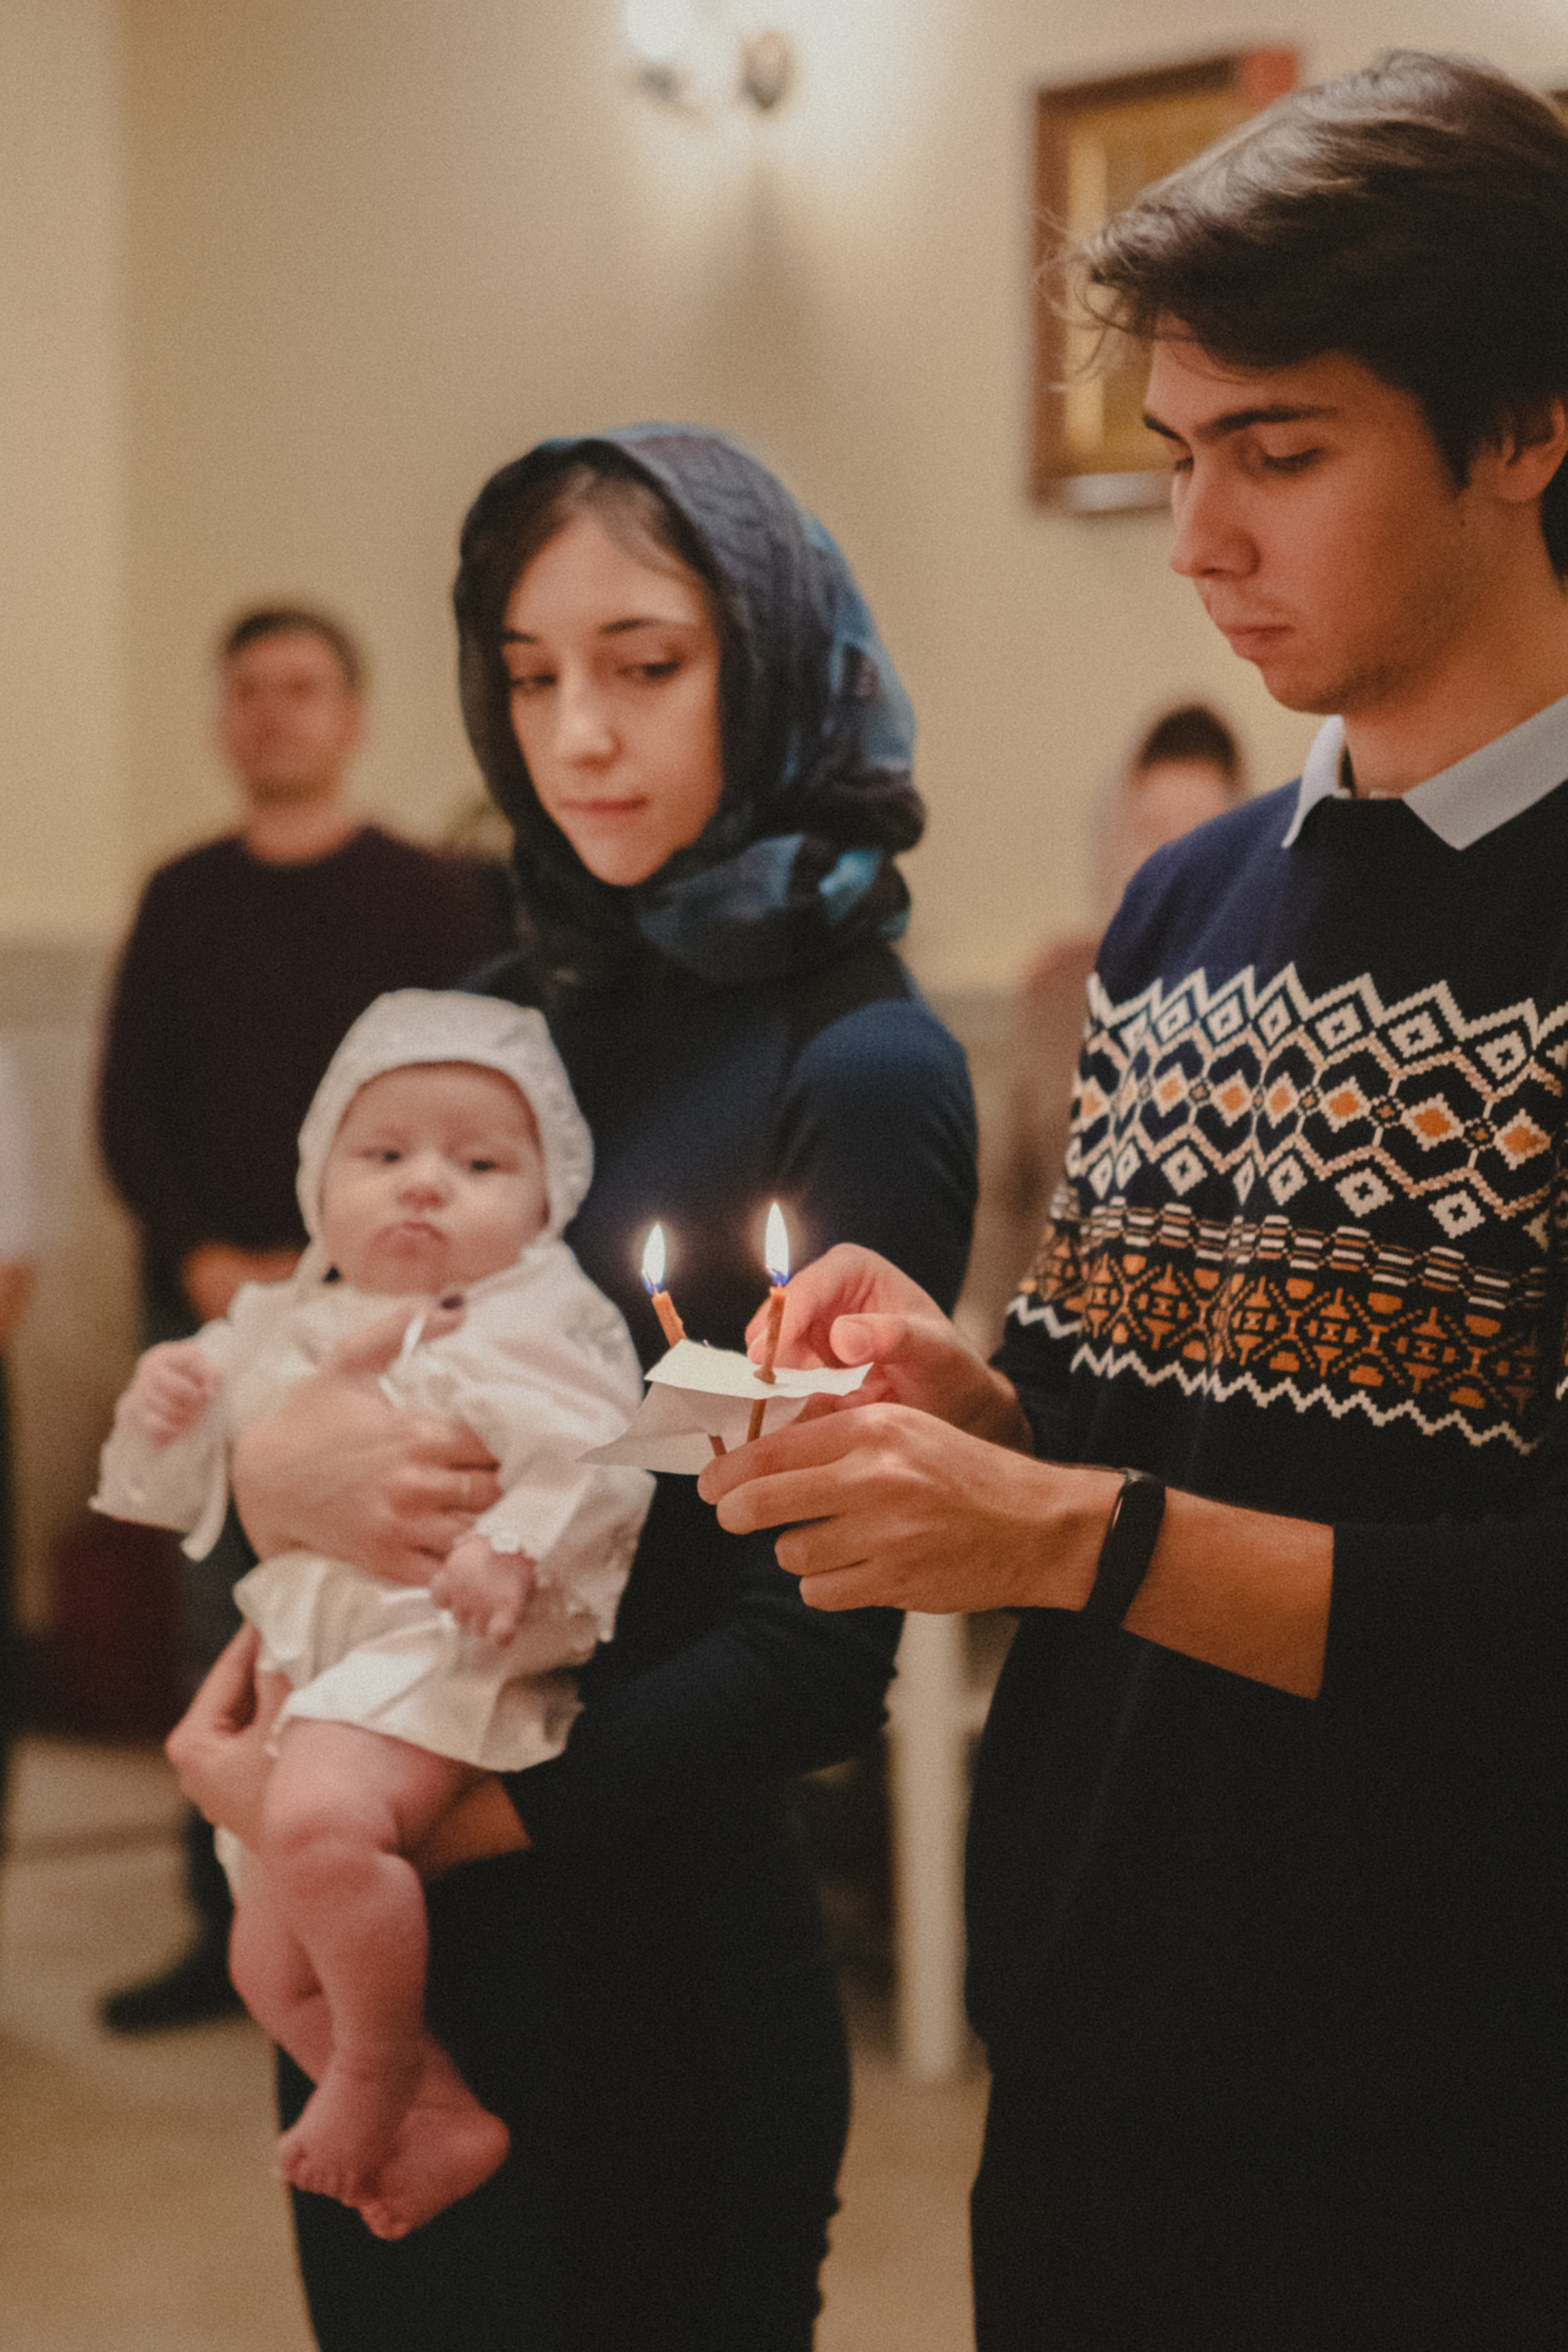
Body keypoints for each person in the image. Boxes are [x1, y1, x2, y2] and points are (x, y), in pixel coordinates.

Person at [701, 53, 1568, 2347]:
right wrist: (956, 1389)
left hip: (1458, 2096)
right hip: (1099, 2016)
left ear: (1520, 426)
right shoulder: (1184, 908)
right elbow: (1115, 1423)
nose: (1196, 537)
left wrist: (1064, 1538)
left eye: (1276, 454)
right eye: (1180, 455)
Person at [167, 425, 977, 2350]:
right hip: (396, 1973)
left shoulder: (857, 1062)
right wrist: (273, 1476)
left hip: (647, 1963)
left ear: (768, 663)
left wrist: (369, 1825)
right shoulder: (497, 1015)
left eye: (643, 662)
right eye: (530, 675)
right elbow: (309, 1369)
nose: (576, 733)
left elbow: (813, 1652)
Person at [97, 990, 652, 2237]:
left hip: (437, 1647)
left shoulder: (533, 1321)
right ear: (318, 1177)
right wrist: (176, 1398)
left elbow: (603, 1458)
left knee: (324, 1824)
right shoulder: (287, 1316)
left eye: (476, 1163)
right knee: (262, 1960)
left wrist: (512, 1545)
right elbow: (179, 1484)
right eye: (383, 1155)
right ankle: (441, 2111)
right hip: (312, 1662)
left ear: (545, 1198)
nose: (421, 1188)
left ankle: (375, 2066)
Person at [99, 605, 511, 2032]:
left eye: (303, 688)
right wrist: (215, 1263)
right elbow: (126, 1110)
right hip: (212, 1304)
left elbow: (465, 1100)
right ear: (224, 718)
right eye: (251, 692)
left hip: (394, 1311)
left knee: (383, 1600)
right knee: (221, 1610)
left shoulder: (432, 897)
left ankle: (370, 1897)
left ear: (350, 713)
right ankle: (222, 1914)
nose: (275, 714)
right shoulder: (180, 894)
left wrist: (359, 1275)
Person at [967, 703, 1246, 1343]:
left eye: (1205, 829)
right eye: (1154, 827)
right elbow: (1004, 1192)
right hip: (1048, 1341)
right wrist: (983, 1332)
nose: (1175, 855)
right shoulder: (1061, 989)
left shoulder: (1270, 995)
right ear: (1118, 834)